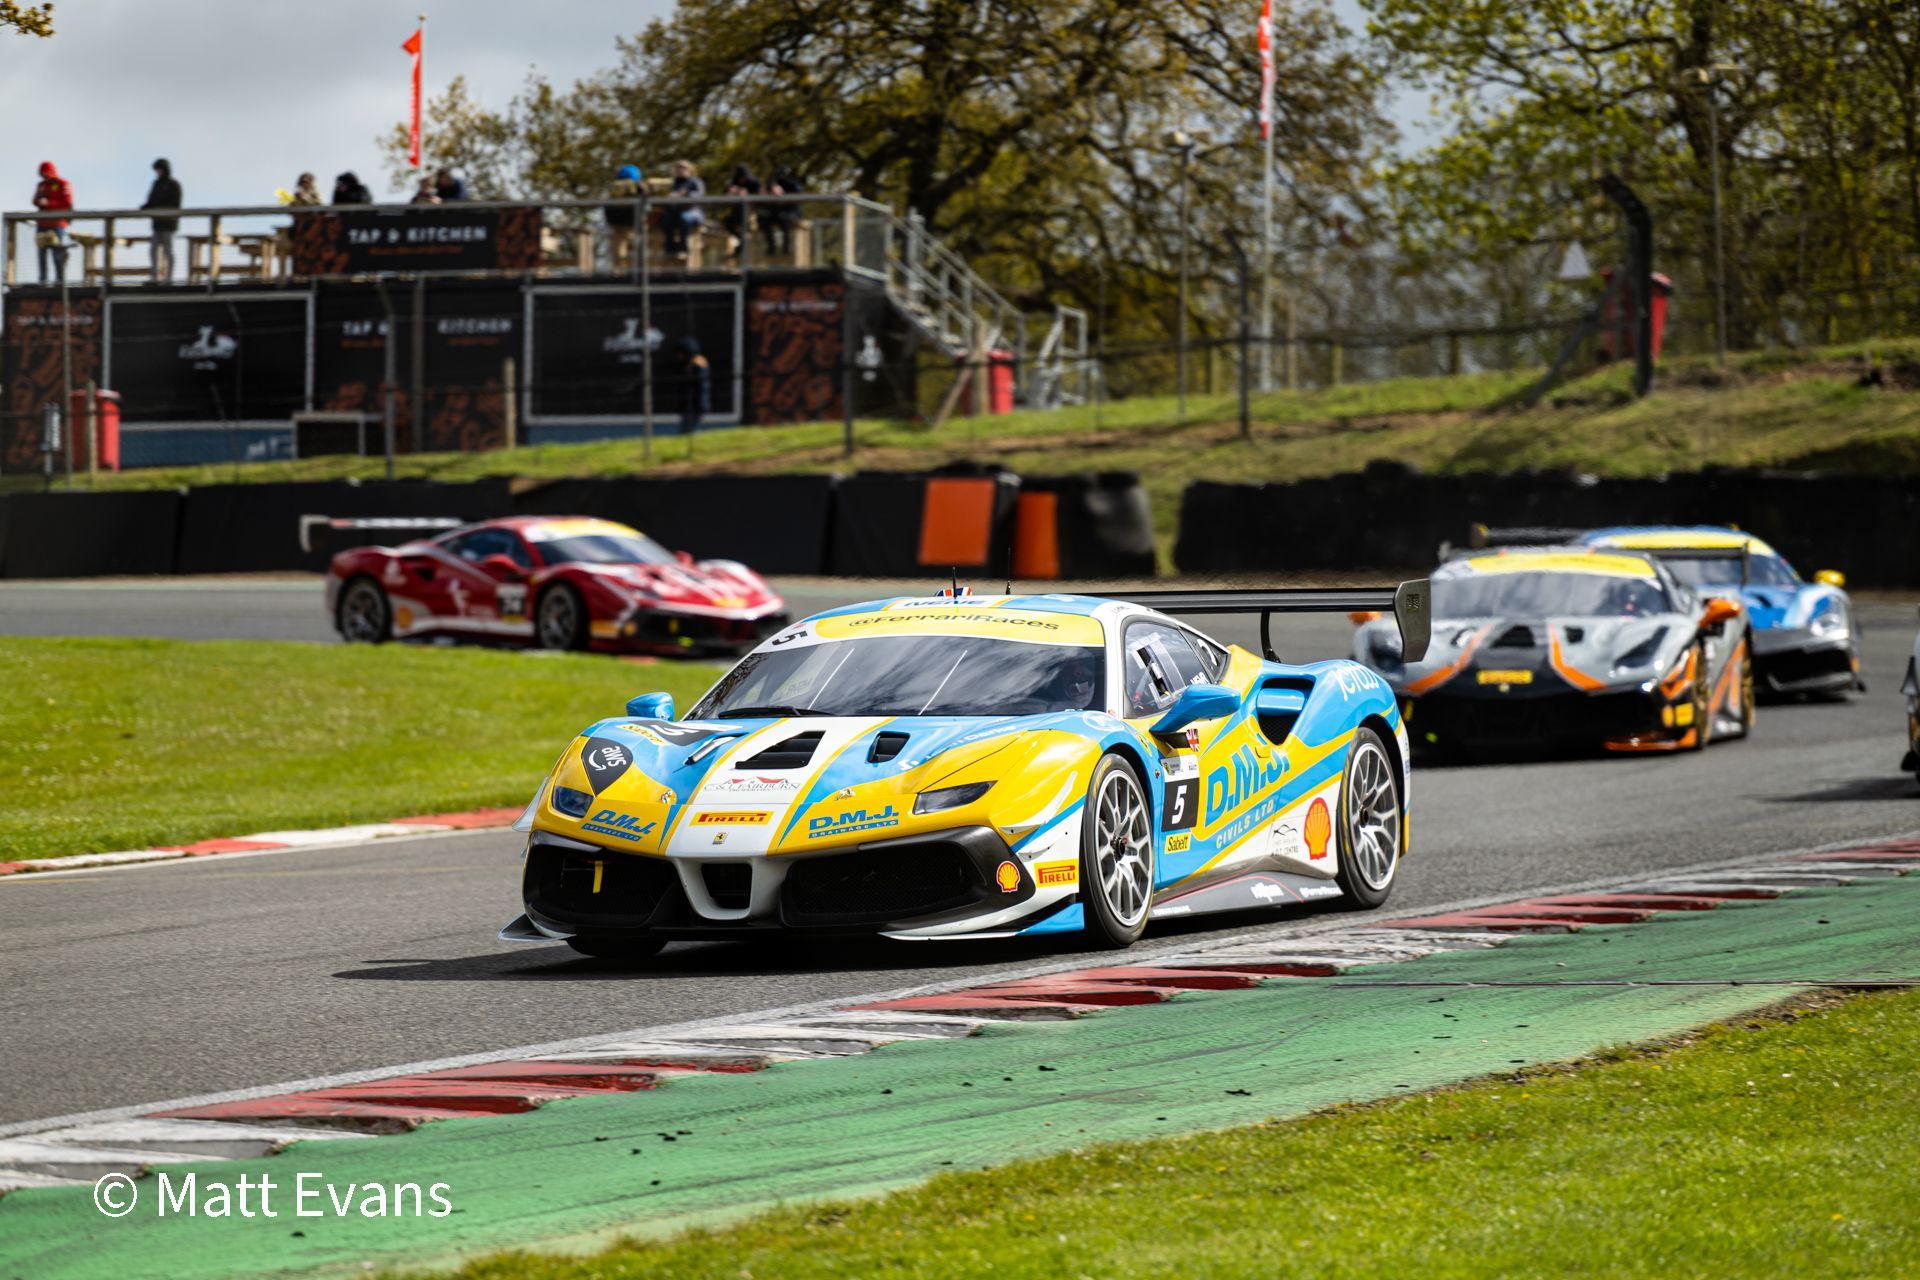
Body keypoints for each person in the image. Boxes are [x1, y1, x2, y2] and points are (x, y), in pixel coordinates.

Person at [31, 161, 73, 283]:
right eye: (42, 174)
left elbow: (67, 202)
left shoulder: (63, 184)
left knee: (57, 254)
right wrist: (40, 201)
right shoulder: (41, 185)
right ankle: (42, 280)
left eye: (45, 174)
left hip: (57, 226)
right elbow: (34, 200)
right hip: (42, 225)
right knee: (41, 254)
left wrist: (49, 204)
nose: (44, 177)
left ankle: (59, 281)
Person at [142, 158, 182, 283]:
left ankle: (169, 278)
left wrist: (159, 206)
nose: (157, 172)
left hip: (168, 224)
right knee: (153, 250)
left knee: (168, 251)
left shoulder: (174, 185)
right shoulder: (156, 184)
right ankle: (155, 277)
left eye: (159, 169)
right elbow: (151, 200)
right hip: (157, 224)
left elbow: (175, 203)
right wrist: (146, 207)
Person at [604, 164, 644, 269]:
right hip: (620, 225)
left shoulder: (640, 189)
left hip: (634, 225)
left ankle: (630, 272)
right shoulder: (615, 190)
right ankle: (620, 273)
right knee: (619, 252)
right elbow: (609, 209)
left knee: (634, 251)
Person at [662, 160, 704, 259]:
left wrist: (687, 194)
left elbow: (699, 195)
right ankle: (670, 248)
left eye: (683, 168)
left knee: (684, 218)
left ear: (690, 170)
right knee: (666, 219)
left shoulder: (695, 181)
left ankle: (683, 248)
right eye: (678, 168)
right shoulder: (673, 183)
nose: (680, 171)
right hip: (674, 211)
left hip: (693, 211)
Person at [763, 163, 803, 257]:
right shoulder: (775, 184)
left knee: (784, 219)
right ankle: (771, 246)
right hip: (777, 211)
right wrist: (767, 189)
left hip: (792, 212)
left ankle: (787, 246)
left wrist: (783, 192)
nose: (780, 178)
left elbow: (797, 194)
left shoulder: (794, 184)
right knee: (763, 220)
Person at [721, 164, 760, 259]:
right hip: (736, 211)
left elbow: (759, 197)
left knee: (746, 227)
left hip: (751, 212)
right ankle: (741, 242)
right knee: (727, 223)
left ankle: (741, 247)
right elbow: (725, 197)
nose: (741, 180)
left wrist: (747, 195)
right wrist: (731, 193)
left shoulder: (754, 183)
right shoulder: (733, 183)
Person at [675, 336, 711, 434]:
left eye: (681, 353)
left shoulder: (698, 365)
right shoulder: (688, 365)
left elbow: (701, 387)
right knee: (687, 430)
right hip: (688, 406)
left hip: (694, 406)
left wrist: (700, 405)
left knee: (690, 431)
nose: (679, 356)